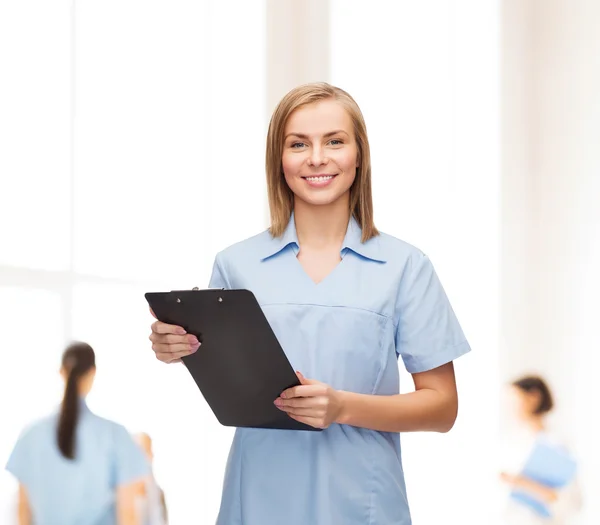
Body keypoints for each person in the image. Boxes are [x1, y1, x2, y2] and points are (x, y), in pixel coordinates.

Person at [149, 82, 471, 525]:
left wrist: (342, 407)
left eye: (334, 141)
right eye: (298, 144)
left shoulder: (405, 267)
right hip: (257, 501)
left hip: (363, 506)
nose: (317, 158)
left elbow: (442, 407)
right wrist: (176, 348)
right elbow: (226, 376)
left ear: (359, 155)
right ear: (279, 161)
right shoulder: (235, 265)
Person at [5, 342, 149, 525]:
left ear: (61, 372)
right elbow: (127, 514)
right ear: (93, 372)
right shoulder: (115, 435)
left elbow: (23, 511)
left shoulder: (31, 435)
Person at [500, 375, 583, 524]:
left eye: (514, 399)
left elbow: (573, 501)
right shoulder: (509, 443)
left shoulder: (557, 444)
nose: (509, 407)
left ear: (534, 397)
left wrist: (524, 484)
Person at [133, 433, 168, 525]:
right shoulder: (120, 495)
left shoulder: (158, 492)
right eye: (146, 450)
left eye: (150, 450)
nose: (151, 455)